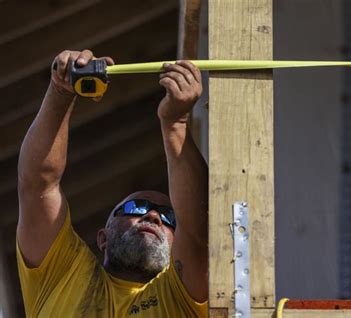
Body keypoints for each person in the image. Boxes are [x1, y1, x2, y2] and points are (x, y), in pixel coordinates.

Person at [16, 49, 209, 317]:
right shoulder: (62, 275)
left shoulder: (181, 294)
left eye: (169, 218)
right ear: (103, 237)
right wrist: (60, 92)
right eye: (137, 208)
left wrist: (176, 123)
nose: (154, 216)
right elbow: (37, 186)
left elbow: (197, 230)